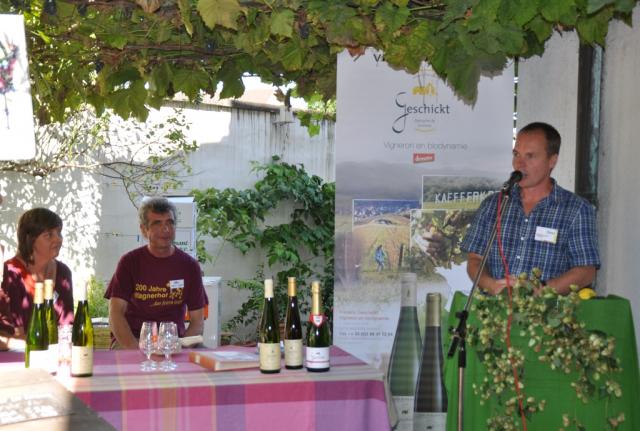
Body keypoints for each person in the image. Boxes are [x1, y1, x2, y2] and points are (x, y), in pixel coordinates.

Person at [461, 122, 600, 296]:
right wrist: (492, 285)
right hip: (495, 310)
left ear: (552, 160)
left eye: (530, 156)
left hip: (546, 311)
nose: (519, 164)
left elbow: (586, 271)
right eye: (516, 154)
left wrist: (541, 290)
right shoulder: (493, 205)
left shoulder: (576, 209)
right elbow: (475, 259)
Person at [105, 197, 206, 349]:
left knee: (207, 357)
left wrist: (180, 350)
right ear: (144, 230)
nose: (165, 229)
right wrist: (135, 351)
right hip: (132, 340)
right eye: (157, 223)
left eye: (170, 223)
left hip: (173, 343)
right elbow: (115, 314)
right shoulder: (129, 262)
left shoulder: (190, 266)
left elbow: (198, 321)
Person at [1, 208, 74, 350]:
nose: (58, 239)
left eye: (59, 232)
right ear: (30, 239)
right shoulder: (10, 274)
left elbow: (67, 326)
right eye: (49, 235)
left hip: (56, 353)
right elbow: (12, 334)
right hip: (18, 356)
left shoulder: (63, 273)